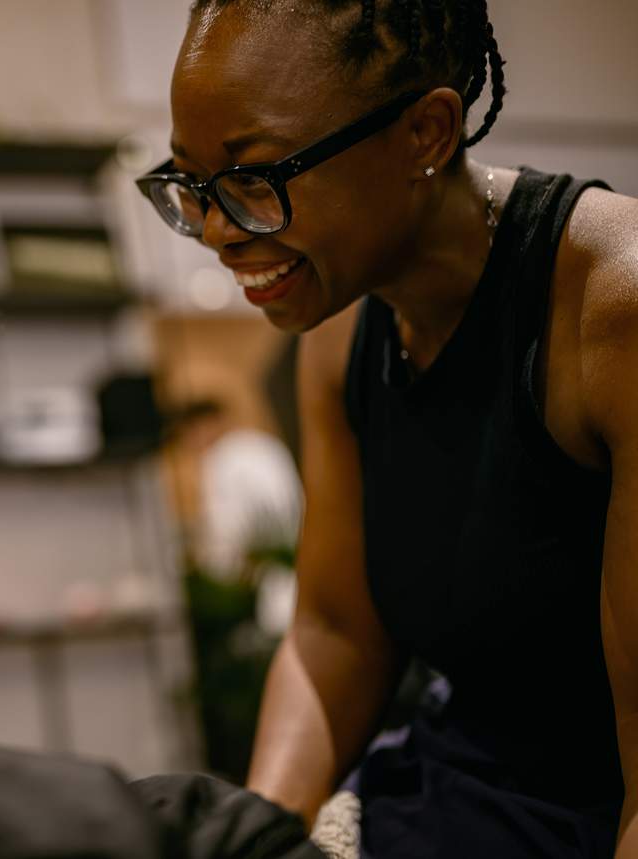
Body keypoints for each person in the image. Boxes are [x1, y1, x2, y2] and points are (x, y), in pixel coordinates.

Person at [135, 1, 638, 856]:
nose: (217, 232)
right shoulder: (339, 319)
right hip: (459, 797)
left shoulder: (611, 305)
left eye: (255, 177)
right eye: (190, 185)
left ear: (425, 133)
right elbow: (334, 630)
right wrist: (256, 837)